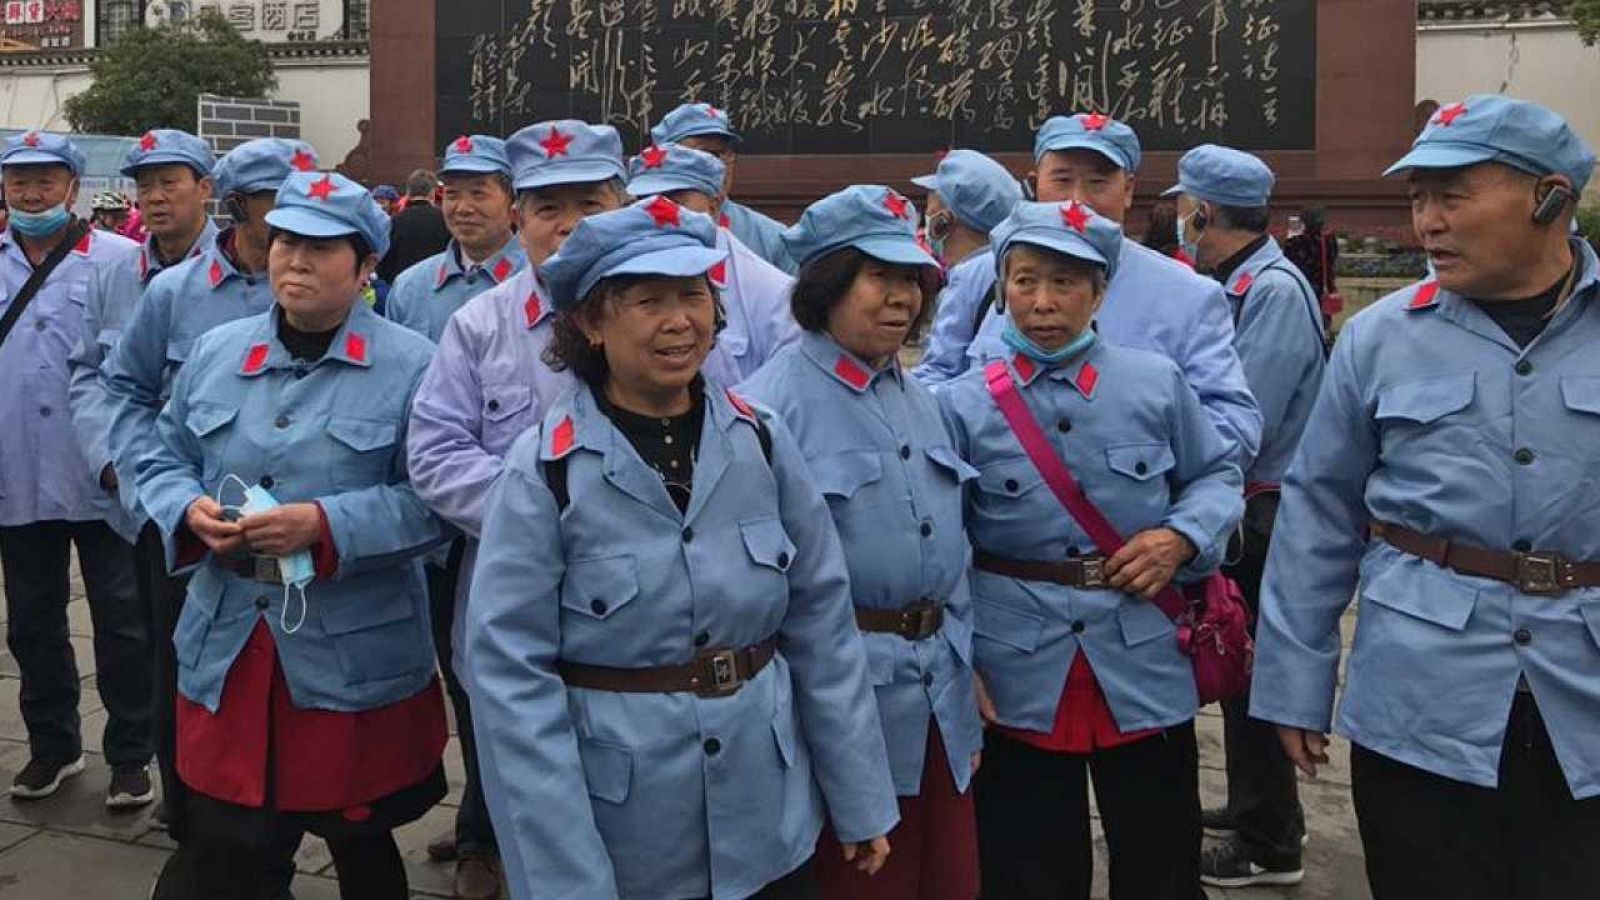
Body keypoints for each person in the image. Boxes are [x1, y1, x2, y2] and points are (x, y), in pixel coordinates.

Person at [462, 195, 899, 899]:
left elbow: (821, 621)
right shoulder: (543, 470)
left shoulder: (761, 439)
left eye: (694, 295)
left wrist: (859, 795)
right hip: (629, 830)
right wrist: (565, 876)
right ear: (590, 322)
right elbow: (511, 679)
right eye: (647, 300)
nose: (679, 322)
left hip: (767, 810)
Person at [1251, 95, 1600, 899]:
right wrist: (1294, 683)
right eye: (1416, 199)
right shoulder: (1381, 339)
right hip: (1420, 699)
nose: (1427, 223)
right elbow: (1319, 514)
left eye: (1453, 195)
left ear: (1550, 195)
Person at [137, 171, 450, 898]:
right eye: (285, 243)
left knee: (361, 844)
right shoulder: (216, 352)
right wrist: (186, 507)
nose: (295, 261)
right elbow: (162, 452)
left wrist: (327, 524)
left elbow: (435, 503)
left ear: (367, 265)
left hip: (350, 647)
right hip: (233, 645)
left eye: (321, 248)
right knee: (222, 847)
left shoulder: (415, 366)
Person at [939, 199, 1243, 900]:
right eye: (1025, 282)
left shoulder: (1156, 383)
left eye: (1066, 283)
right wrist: (959, 661)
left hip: (1140, 655)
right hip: (1016, 665)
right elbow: (941, 548)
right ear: (1001, 290)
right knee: (1028, 869)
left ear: (1100, 291)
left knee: (1161, 857)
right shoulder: (958, 406)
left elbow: (1216, 475)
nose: (1044, 302)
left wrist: (1181, 537)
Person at [739, 185, 983, 899]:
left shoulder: (919, 399)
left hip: (939, 695)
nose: (902, 296)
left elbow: (953, 548)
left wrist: (968, 669)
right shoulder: (764, 411)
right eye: (879, 276)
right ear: (826, 283)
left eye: (913, 278)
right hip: (844, 708)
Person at [404, 119, 627, 896]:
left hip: (649, 611)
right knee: (531, 786)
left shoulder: (675, 315)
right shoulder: (479, 325)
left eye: (589, 204)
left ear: (623, 204)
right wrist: (543, 517)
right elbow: (435, 454)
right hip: (517, 594)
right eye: (548, 208)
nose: (568, 226)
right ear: (519, 218)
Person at [98, 137, 320, 839]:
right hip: (194, 523)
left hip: (298, 520)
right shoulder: (176, 293)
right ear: (239, 206)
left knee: (299, 665)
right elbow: (126, 393)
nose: (295, 229)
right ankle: (188, 802)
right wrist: (156, 492)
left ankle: (296, 801)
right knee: (182, 664)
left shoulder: (332, 284)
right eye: (275, 208)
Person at [1163, 144, 1326, 888]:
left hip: (1263, 510)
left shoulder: (1272, 292)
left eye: (1184, 207)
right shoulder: (1227, 283)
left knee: (1256, 669)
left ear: (1204, 212)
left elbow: (1244, 414)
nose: (1179, 219)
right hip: (1237, 505)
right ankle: (1253, 804)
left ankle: (1271, 841)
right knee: (1235, 664)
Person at [950, 113, 1262, 468]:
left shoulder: (1189, 295)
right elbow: (935, 389)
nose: (1077, 201)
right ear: (1036, 184)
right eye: (1062, 180)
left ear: (1128, 189)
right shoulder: (979, 277)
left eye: (1098, 182)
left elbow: (1235, 427)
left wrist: (1141, 466)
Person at [1, 131, 154, 808]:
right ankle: (52, 747)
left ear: (72, 187)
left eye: (44, 181)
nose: (31, 194)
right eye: (18, 182)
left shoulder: (120, 259)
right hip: (15, 473)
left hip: (100, 473)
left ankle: (131, 754)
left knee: (123, 620)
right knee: (32, 620)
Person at [626, 141, 797, 384]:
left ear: (714, 205)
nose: (658, 214)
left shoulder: (772, 293)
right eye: (645, 201)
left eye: (676, 200)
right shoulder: (619, 279)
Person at [386, 135, 526, 342]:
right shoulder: (410, 287)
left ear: (513, 202)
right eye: (452, 194)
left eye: (478, 193)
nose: (463, 208)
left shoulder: (540, 281)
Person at [908, 149, 1024, 386]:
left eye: (930, 211)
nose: (925, 219)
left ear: (944, 221)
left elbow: (941, 370)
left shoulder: (969, 275)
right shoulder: (1019, 260)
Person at [651, 101, 797, 273]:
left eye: (723, 154)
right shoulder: (640, 227)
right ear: (665, 160)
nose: (718, 165)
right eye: (704, 153)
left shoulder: (771, 237)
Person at [121, 129, 218, 285]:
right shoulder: (112, 277)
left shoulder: (238, 269)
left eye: (169, 183)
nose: (155, 198)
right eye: (144, 186)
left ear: (204, 188)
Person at [378, 168, 450, 283]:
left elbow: (383, 265)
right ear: (432, 192)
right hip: (438, 285)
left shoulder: (394, 222)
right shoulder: (446, 220)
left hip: (402, 286)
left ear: (408, 192)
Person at [1282, 207, 1341, 331]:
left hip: (1301, 289)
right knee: (1322, 327)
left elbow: (1287, 263)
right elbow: (1332, 260)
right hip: (1323, 289)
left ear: (1303, 223)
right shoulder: (1329, 241)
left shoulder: (1295, 243)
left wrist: (1291, 237)